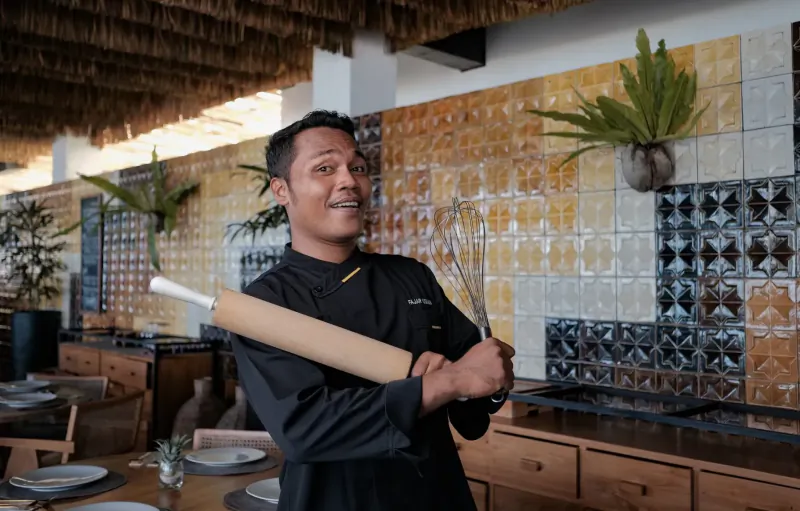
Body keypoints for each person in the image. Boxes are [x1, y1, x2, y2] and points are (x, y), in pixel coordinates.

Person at [231, 110, 515, 511]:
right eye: (325, 168)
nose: (349, 180)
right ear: (281, 190)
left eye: (358, 167)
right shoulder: (264, 303)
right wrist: (443, 384)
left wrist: (492, 378)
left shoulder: (411, 277)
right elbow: (307, 428)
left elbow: (477, 382)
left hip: (435, 496)